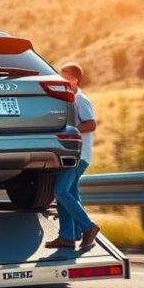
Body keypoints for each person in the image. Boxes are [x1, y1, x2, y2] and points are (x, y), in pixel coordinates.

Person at [45, 63, 101, 250]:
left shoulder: (80, 100)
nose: (60, 81)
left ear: (75, 80)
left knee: (61, 192)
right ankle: (68, 236)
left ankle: (89, 227)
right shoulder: (67, 99)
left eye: (64, 77)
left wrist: (70, 132)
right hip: (68, 154)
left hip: (79, 155)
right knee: (69, 194)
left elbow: (91, 124)